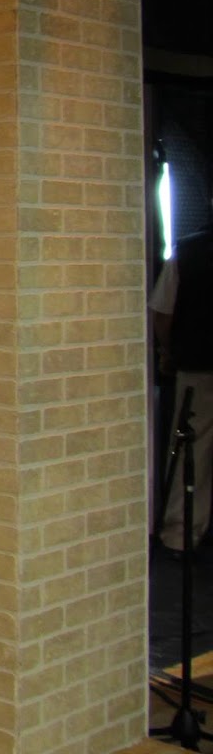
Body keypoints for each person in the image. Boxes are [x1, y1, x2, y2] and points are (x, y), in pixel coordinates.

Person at [154, 227, 213, 552]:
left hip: (197, 364)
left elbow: (163, 312)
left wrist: (168, 352)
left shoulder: (188, 251)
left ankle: (181, 534)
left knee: (193, 448)